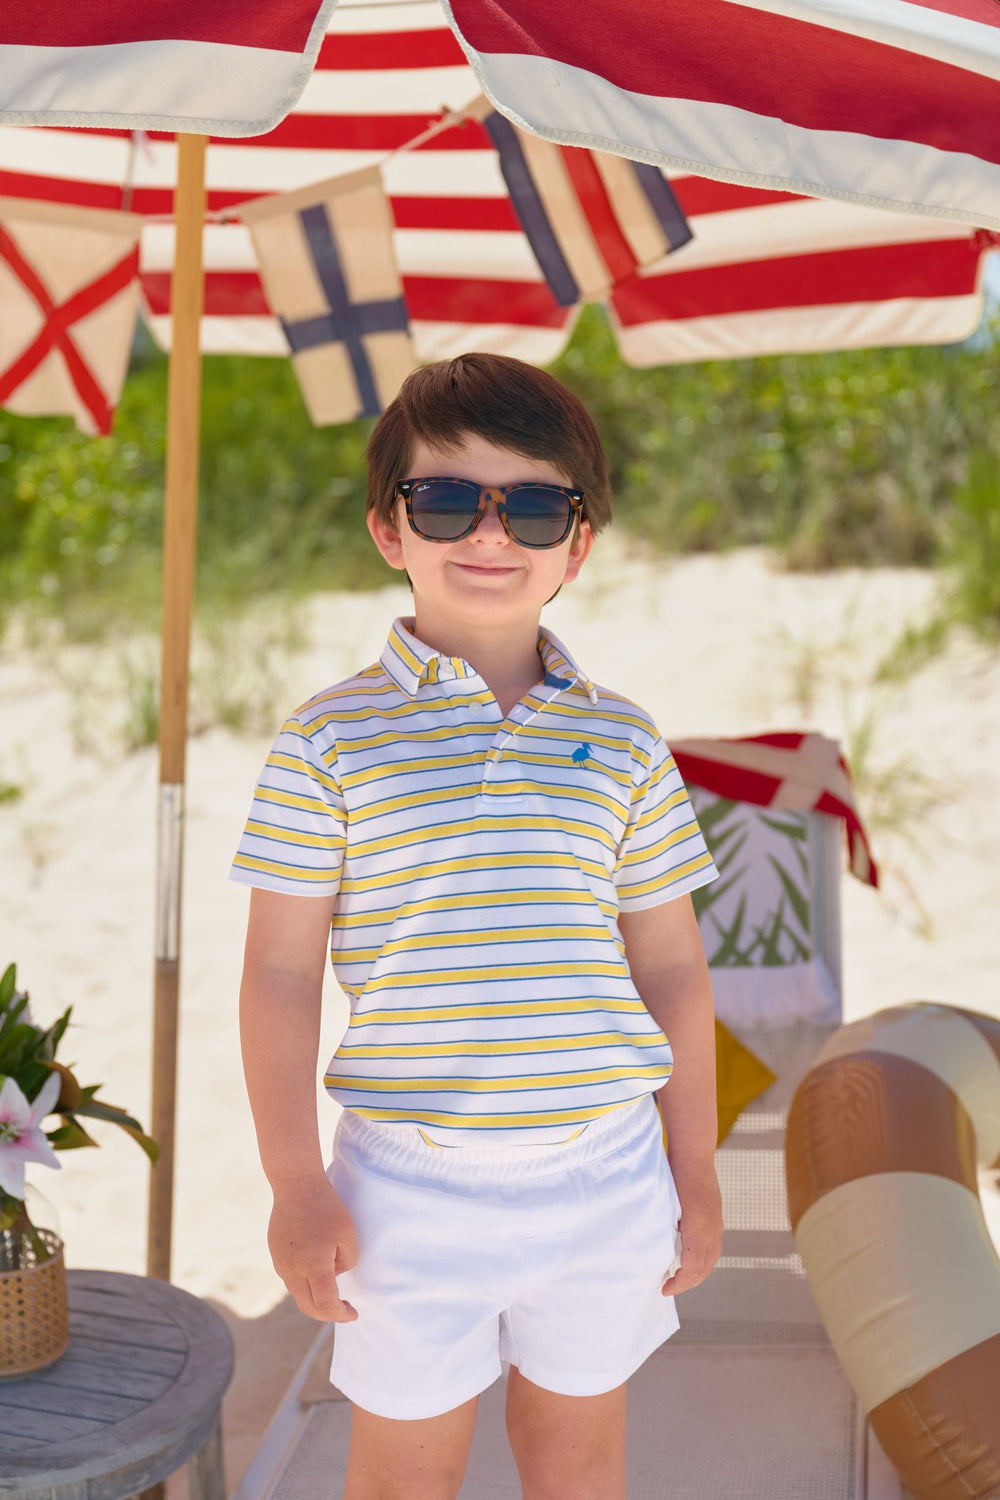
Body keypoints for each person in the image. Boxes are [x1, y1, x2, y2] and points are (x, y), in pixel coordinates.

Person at [234, 353, 724, 1500]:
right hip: (404, 1185)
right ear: (388, 531)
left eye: (536, 504)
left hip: (607, 1170)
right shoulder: (326, 741)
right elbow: (277, 976)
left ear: (579, 544)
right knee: (403, 1470)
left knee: (578, 1459)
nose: (490, 533)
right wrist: (295, 1186)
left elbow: (671, 967)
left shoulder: (626, 741)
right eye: (448, 498)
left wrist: (690, 1167)